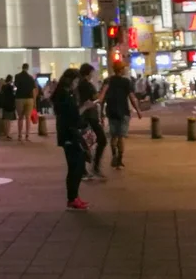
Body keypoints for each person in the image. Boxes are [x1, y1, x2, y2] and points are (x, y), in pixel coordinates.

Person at [52, 69, 89, 210]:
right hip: (69, 134)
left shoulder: (64, 94)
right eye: (76, 81)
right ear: (71, 81)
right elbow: (73, 116)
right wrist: (85, 107)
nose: (76, 84)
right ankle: (72, 198)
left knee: (77, 166)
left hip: (68, 133)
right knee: (76, 167)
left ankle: (74, 197)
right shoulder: (64, 96)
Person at [98, 59, 142, 169]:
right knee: (121, 137)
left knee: (114, 136)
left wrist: (101, 114)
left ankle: (114, 155)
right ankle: (120, 159)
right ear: (121, 70)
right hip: (123, 112)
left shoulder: (107, 81)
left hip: (111, 111)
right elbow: (132, 97)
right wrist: (138, 110)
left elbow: (102, 100)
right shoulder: (126, 82)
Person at [77, 64, 106, 179]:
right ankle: (93, 167)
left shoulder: (80, 84)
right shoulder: (86, 85)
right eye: (92, 73)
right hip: (89, 117)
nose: (93, 75)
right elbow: (98, 98)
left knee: (86, 143)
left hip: (87, 116)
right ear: (88, 73)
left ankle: (88, 169)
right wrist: (104, 89)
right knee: (100, 140)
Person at [14, 63, 38, 142]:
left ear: (22, 68)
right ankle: (27, 135)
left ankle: (20, 135)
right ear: (27, 68)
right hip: (29, 99)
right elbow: (34, 90)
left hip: (19, 98)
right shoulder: (30, 78)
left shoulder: (17, 76)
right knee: (28, 117)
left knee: (20, 117)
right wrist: (34, 102)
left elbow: (16, 86)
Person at [0, 75, 17, 139]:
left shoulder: (3, 86)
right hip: (10, 105)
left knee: (5, 119)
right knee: (9, 120)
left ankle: (6, 133)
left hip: (4, 104)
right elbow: (13, 94)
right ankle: (8, 134)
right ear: (11, 80)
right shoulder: (11, 87)